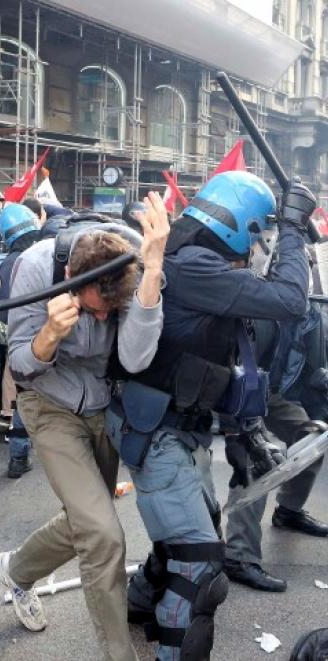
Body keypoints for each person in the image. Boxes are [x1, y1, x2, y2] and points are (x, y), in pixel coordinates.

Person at [108, 171, 315, 661]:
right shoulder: (200, 267)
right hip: (157, 428)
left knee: (194, 526)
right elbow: (290, 300)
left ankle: (140, 604)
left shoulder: (198, 260)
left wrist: (247, 431)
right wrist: (292, 228)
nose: (259, 240)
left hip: (175, 426)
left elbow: (224, 361)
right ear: (239, 223)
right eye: (259, 228)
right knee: (200, 565)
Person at [0, 192, 169, 661]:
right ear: (71, 279)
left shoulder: (136, 266)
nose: (102, 319)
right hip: (48, 404)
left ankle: (17, 569)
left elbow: (134, 357)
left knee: (88, 523)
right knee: (104, 535)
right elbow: (22, 368)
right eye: (93, 311)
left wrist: (150, 279)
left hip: (104, 406)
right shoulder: (37, 267)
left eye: (110, 312)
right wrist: (50, 334)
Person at [224, 302, 328, 592]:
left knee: (312, 436)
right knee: (256, 460)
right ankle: (238, 556)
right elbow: (234, 365)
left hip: (272, 393)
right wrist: (241, 433)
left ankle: (288, 511)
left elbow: (311, 369)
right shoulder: (257, 306)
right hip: (238, 390)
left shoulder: (311, 316)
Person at [0, 203, 41, 476]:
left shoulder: (8, 264)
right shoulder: (51, 252)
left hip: (22, 344)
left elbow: (2, 310)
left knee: (22, 399)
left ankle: (18, 457)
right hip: (56, 337)